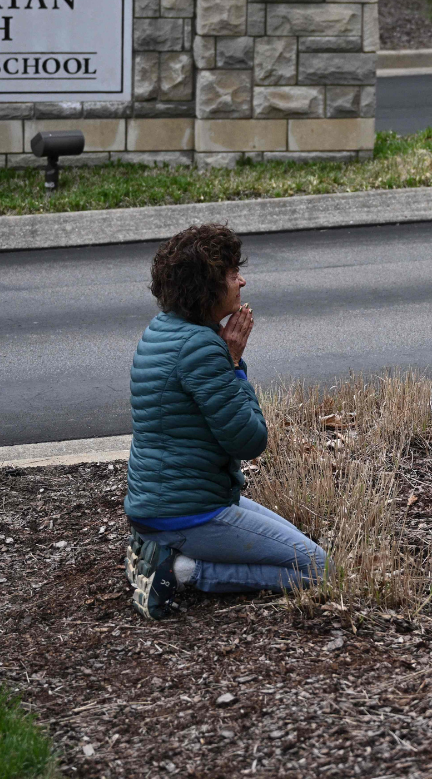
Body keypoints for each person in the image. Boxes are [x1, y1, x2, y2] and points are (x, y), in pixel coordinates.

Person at [123, 223, 325, 619]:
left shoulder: (163, 329)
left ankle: (156, 547)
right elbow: (249, 440)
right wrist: (233, 362)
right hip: (187, 512)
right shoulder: (201, 347)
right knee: (318, 569)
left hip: (167, 501)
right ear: (207, 288)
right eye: (232, 274)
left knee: (305, 549)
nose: (242, 281)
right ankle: (181, 570)